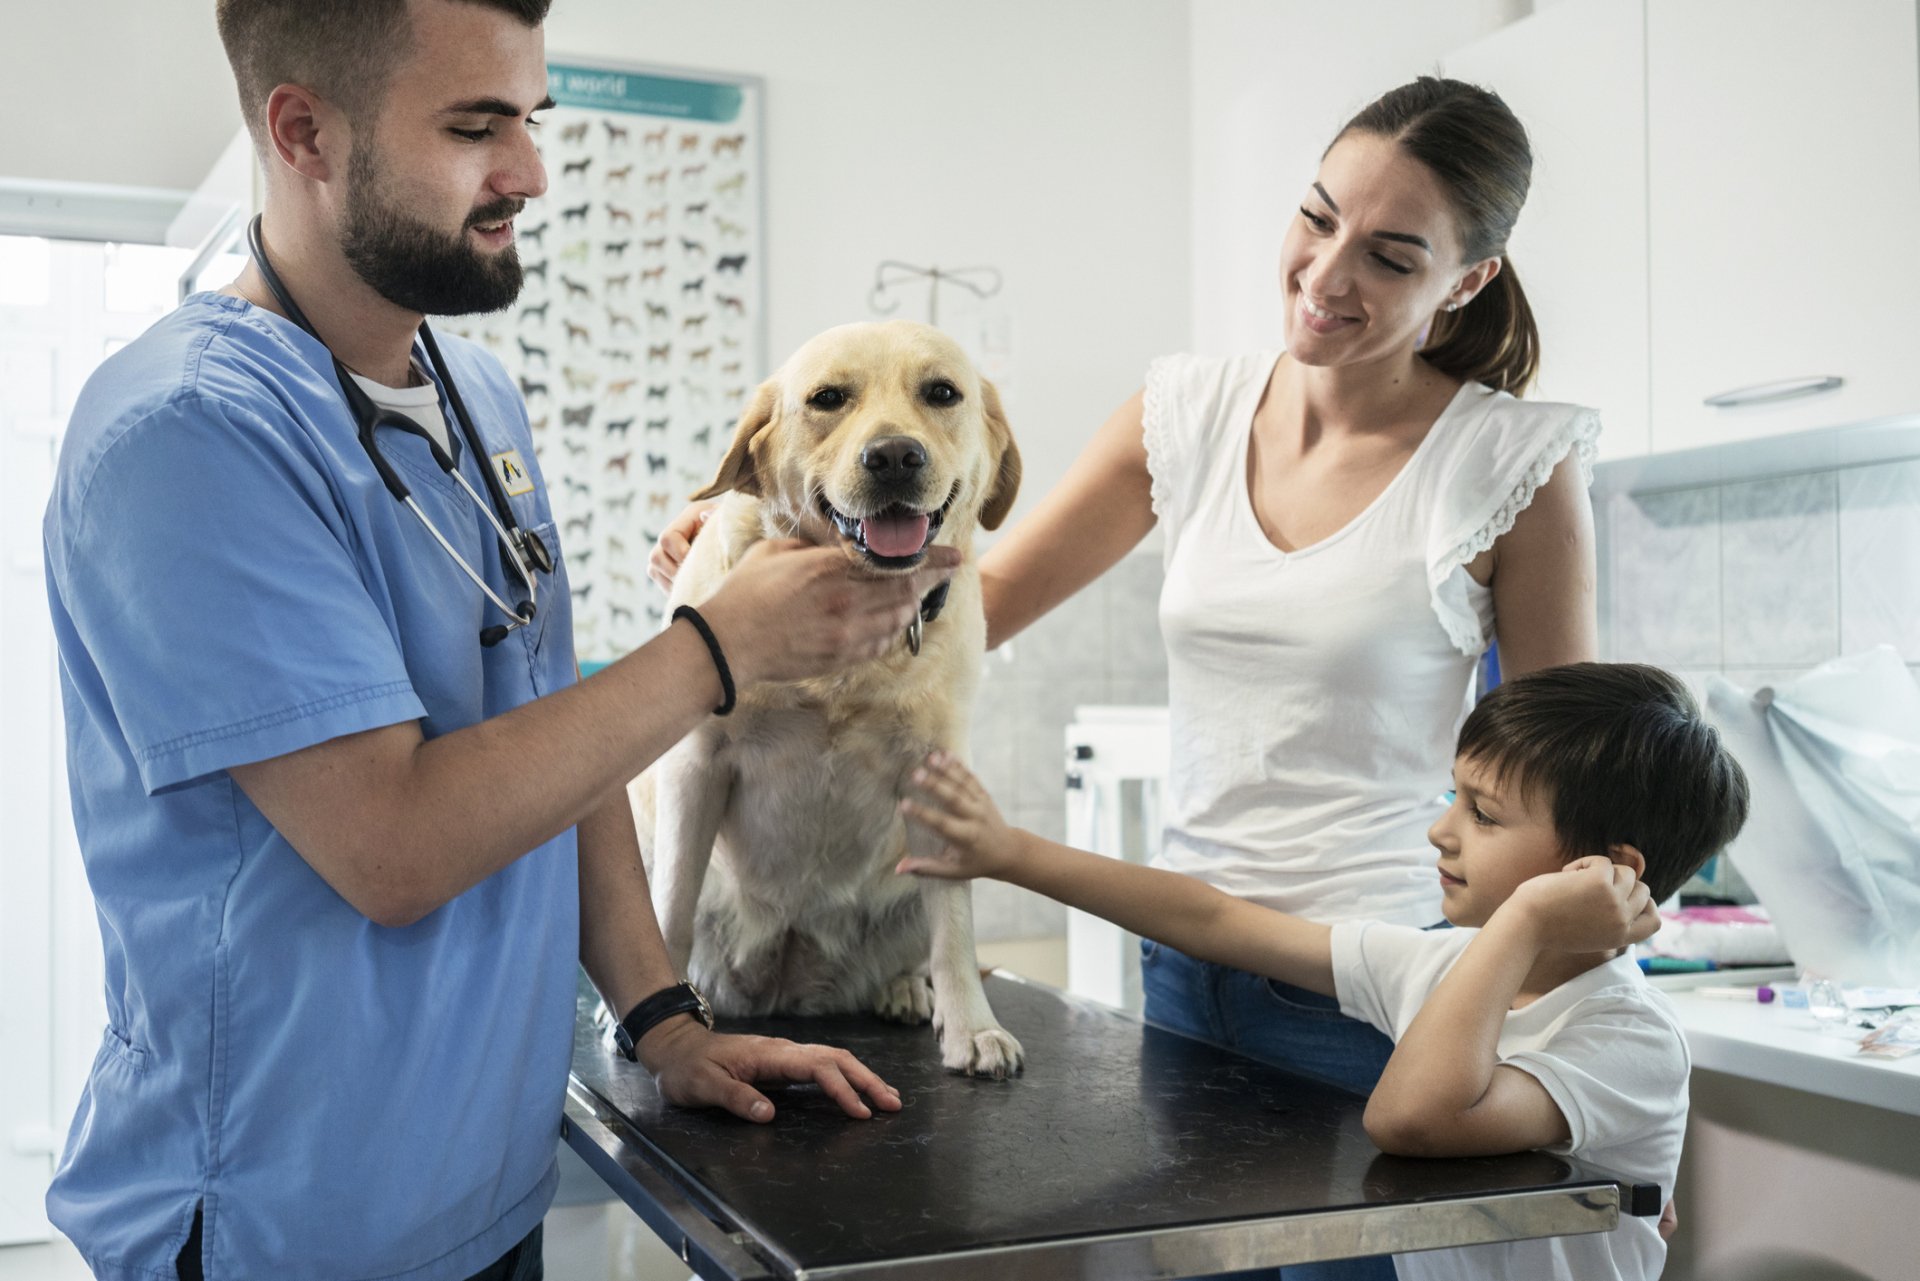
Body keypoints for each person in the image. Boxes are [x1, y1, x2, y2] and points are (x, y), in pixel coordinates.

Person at [41, 2, 956, 1278]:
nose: (528, 173)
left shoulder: (478, 402)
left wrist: (664, 1022)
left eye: (531, 121)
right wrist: (716, 646)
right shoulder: (187, 437)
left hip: (485, 1185)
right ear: (302, 130)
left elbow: (555, 751)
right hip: (287, 1220)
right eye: (476, 128)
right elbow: (394, 846)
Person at [653, 79, 1597, 1278]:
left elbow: (1574, 795)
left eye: (1391, 256)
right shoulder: (1189, 412)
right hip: (1183, 971)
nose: (1325, 274)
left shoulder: (1512, 461)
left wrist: (1582, 1064)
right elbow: (949, 601)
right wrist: (731, 543)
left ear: (1465, 282)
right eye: (1316, 218)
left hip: (1384, 991)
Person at [895, 661, 1750, 1281]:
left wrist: (1524, 917)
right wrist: (1009, 853)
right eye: (1453, 797)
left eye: (1483, 814)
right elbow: (1215, 918)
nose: (1441, 831)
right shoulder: (1439, 960)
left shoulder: (1627, 1039)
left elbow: (1412, 1115)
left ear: (1606, 867)